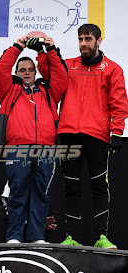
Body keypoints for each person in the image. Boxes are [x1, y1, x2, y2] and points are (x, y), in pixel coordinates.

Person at [37, 24, 128, 248]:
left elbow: (119, 102)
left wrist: (116, 130)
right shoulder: (69, 66)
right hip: (68, 134)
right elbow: (49, 73)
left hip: (97, 136)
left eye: (88, 39)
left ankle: (101, 237)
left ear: (99, 41)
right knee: (72, 188)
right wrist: (43, 51)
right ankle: (72, 237)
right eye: (80, 39)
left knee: (99, 187)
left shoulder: (112, 69)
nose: (83, 43)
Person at [0, 35, 68, 244]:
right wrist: (18, 46)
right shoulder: (9, 91)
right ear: (16, 73)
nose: (26, 72)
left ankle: (36, 236)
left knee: (40, 194)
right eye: (22, 70)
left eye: (30, 69)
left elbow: (61, 77)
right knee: (17, 193)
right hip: (18, 149)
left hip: (46, 149)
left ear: (36, 73)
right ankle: (14, 236)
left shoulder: (48, 91)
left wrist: (49, 50)